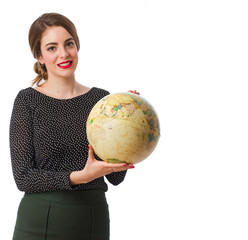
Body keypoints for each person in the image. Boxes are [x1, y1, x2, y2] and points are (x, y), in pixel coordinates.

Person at [10, 13, 139, 240]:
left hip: (91, 219)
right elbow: (23, 177)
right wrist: (79, 177)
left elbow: (116, 178)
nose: (64, 53)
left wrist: (128, 122)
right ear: (39, 56)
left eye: (69, 44)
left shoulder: (101, 101)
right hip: (39, 220)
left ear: (77, 45)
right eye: (52, 48)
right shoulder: (27, 100)